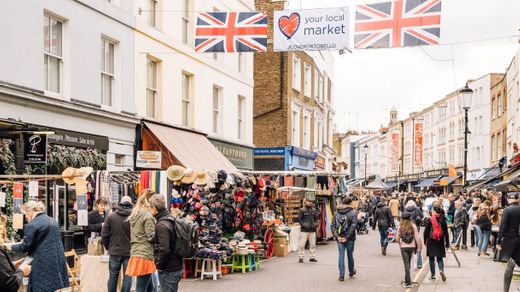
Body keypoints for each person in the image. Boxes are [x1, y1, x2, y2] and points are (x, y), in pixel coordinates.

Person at [3, 201, 69, 291]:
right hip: (56, 262)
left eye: (25, 215)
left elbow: (24, 247)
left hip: (41, 263)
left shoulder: (32, 225)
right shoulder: (53, 220)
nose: (26, 218)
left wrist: (8, 246)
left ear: (30, 212)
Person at [149, 194, 183, 292]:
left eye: (150, 208)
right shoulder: (170, 219)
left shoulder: (161, 225)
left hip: (169, 269)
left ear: (154, 209)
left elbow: (165, 250)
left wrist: (159, 266)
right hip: (175, 266)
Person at [126, 190, 157, 292]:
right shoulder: (147, 216)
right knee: (141, 288)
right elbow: (151, 236)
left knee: (151, 287)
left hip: (137, 252)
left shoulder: (135, 214)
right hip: (145, 255)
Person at [102, 196, 133, 292]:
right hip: (129, 252)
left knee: (113, 276)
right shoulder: (134, 216)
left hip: (115, 251)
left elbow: (104, 235)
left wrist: (108, 247)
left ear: (120, 203)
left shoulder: (111, 216)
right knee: (128, 276)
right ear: (130, 203)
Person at [497, 193, 520, 292]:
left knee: (510, 265)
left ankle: (505, 290)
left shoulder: (507, 209)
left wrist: (498, 241)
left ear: (507, 199)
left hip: (509, 240)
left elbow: (502, 227)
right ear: (517, 199)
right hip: (519, 239)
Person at [331, 196, 358, 281]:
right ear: (350, 203)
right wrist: (347, 237)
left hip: (339, 237)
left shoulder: (336, 212)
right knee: (350, 255)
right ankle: (351, 271)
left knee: (341, 255)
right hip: (349, 238)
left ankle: (341, 274)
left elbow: (333, 226)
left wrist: (337, 236)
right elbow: (353, 226)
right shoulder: (353, 212)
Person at [424, 204, 449, 281]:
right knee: (439, 258)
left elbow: (425, 232)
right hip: (440, 241)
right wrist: (447, 243)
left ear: (434, 211)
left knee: (431, 259)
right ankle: (441, 270)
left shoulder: (430, 220)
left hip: (431, 241)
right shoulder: (443, 219)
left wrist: (425, 241)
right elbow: (446, 233)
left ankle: (433, 275)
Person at [396, 212, 422, 288]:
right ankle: (407, 280)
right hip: (412, 247)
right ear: (409, 218)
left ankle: (408, 283)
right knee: (408, 263)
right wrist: (419, 247)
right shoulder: (413, 226)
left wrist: (399, 243)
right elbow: (417, 237)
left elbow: (397, 238)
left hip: (403, 247)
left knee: (406, 265)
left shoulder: (400, 226)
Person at [298, 198, 320, 263]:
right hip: (304, 230)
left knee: (313, 244)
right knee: (302, 244)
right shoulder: (302, 210)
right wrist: (303, 225)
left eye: (311, 201)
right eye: (309, 201)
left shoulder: (314, 210)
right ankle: (301, 257)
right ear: (306, 202)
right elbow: (299, 219)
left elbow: (316, 219)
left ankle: (312, 257)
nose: (310, 203)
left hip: (312, 230)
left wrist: (315, 224)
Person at [405, 200, 424, 269]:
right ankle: (415, 250)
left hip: (408, 227)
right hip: (416, 226)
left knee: (410, 237)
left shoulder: (405, 210)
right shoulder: (417, 209)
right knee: (416, 239)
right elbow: (422, 216)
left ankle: (410, 248)